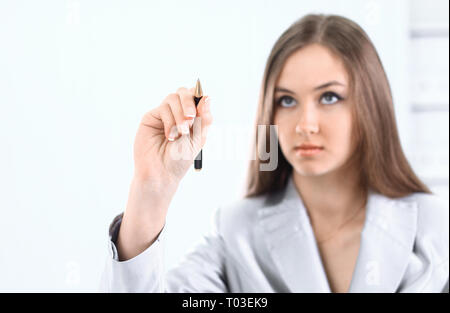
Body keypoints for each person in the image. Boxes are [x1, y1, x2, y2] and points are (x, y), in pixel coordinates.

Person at [99, 14, 449, 293]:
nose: (304, 124)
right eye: (287, 101)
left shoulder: (434, 229)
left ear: (370, 105)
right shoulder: (237, 233)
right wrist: (151, 189)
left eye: (329, 97)